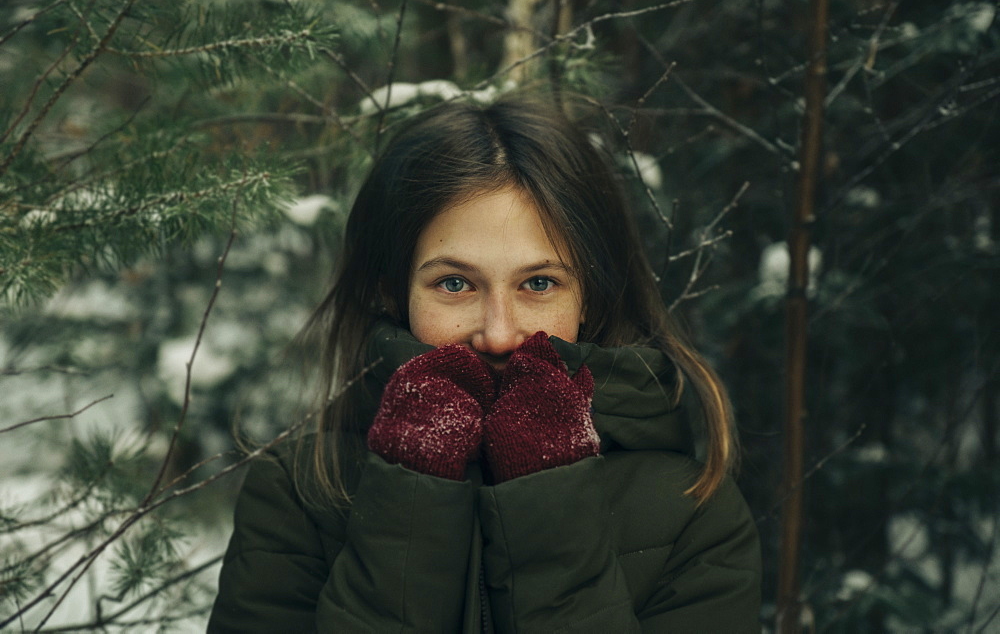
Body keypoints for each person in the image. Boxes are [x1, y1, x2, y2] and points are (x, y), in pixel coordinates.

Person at [208, 94, 762, 632]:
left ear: (589, 296)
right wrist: (409, 499)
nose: (499, 334)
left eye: (539, 283)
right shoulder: (301, 492)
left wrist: (548, 500)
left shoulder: (694, 512)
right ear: (393, 293)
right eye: (454, 283)